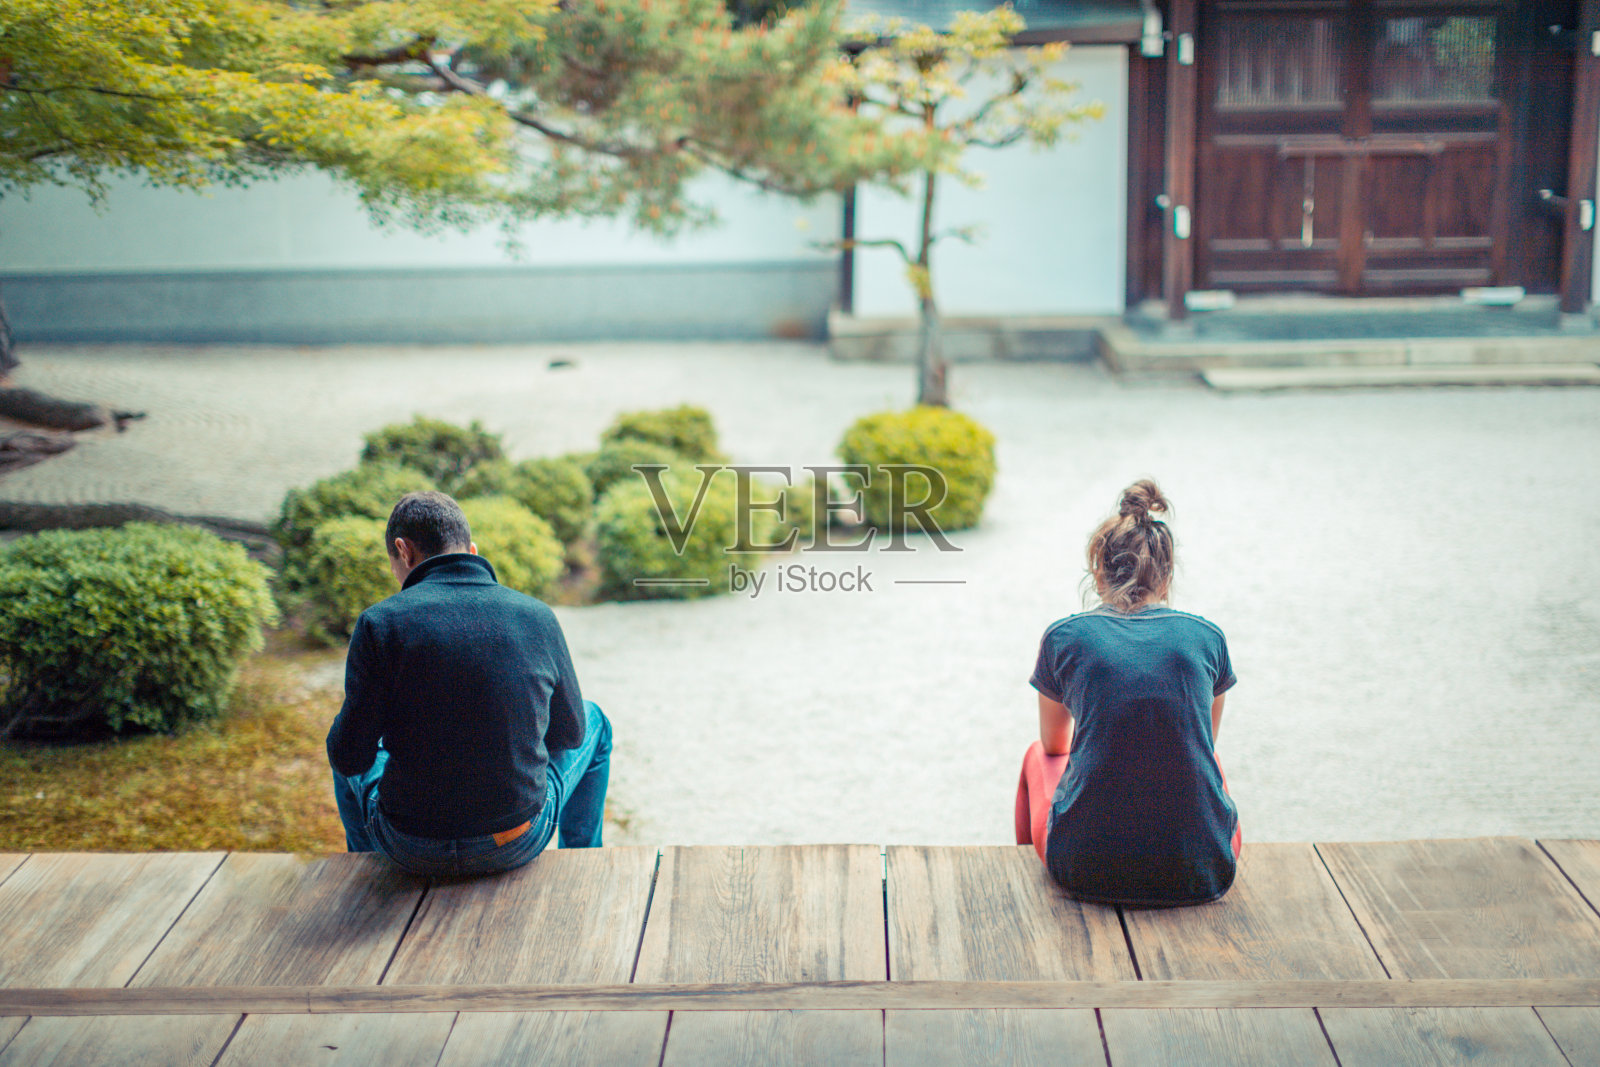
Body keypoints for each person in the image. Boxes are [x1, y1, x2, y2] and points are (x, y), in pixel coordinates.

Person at [327, 490, 611, 878]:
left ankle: (366, 865)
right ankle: (585, 864)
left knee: (344, 737)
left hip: (410, 846)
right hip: (515, 840)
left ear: (403, 550)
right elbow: (571, 735)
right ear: (472, 551)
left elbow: (349, 757)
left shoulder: (380, 623)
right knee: (595, 721)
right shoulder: (537, 616)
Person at [1014, 479, 1240, 906]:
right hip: (1204, 870)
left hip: (1083, 870)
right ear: (1168, 574)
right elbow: (1205, 742)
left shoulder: (1065, 637)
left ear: (1098, 571)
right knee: (1205, 759)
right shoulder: (1207, 636)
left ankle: (1033, 870)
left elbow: (1054, 743)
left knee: (1036, 755)